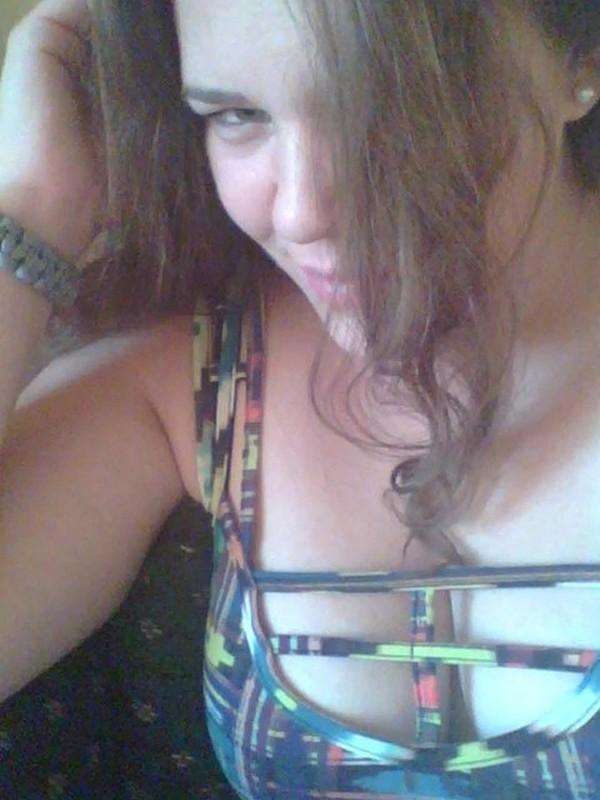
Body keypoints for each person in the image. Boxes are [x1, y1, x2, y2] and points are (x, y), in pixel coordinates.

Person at [0, 0, 598, 797]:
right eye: (238, 115)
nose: (301, 213)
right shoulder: (201, 381)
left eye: (390, 102)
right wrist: (34, 204)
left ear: (582, 61)